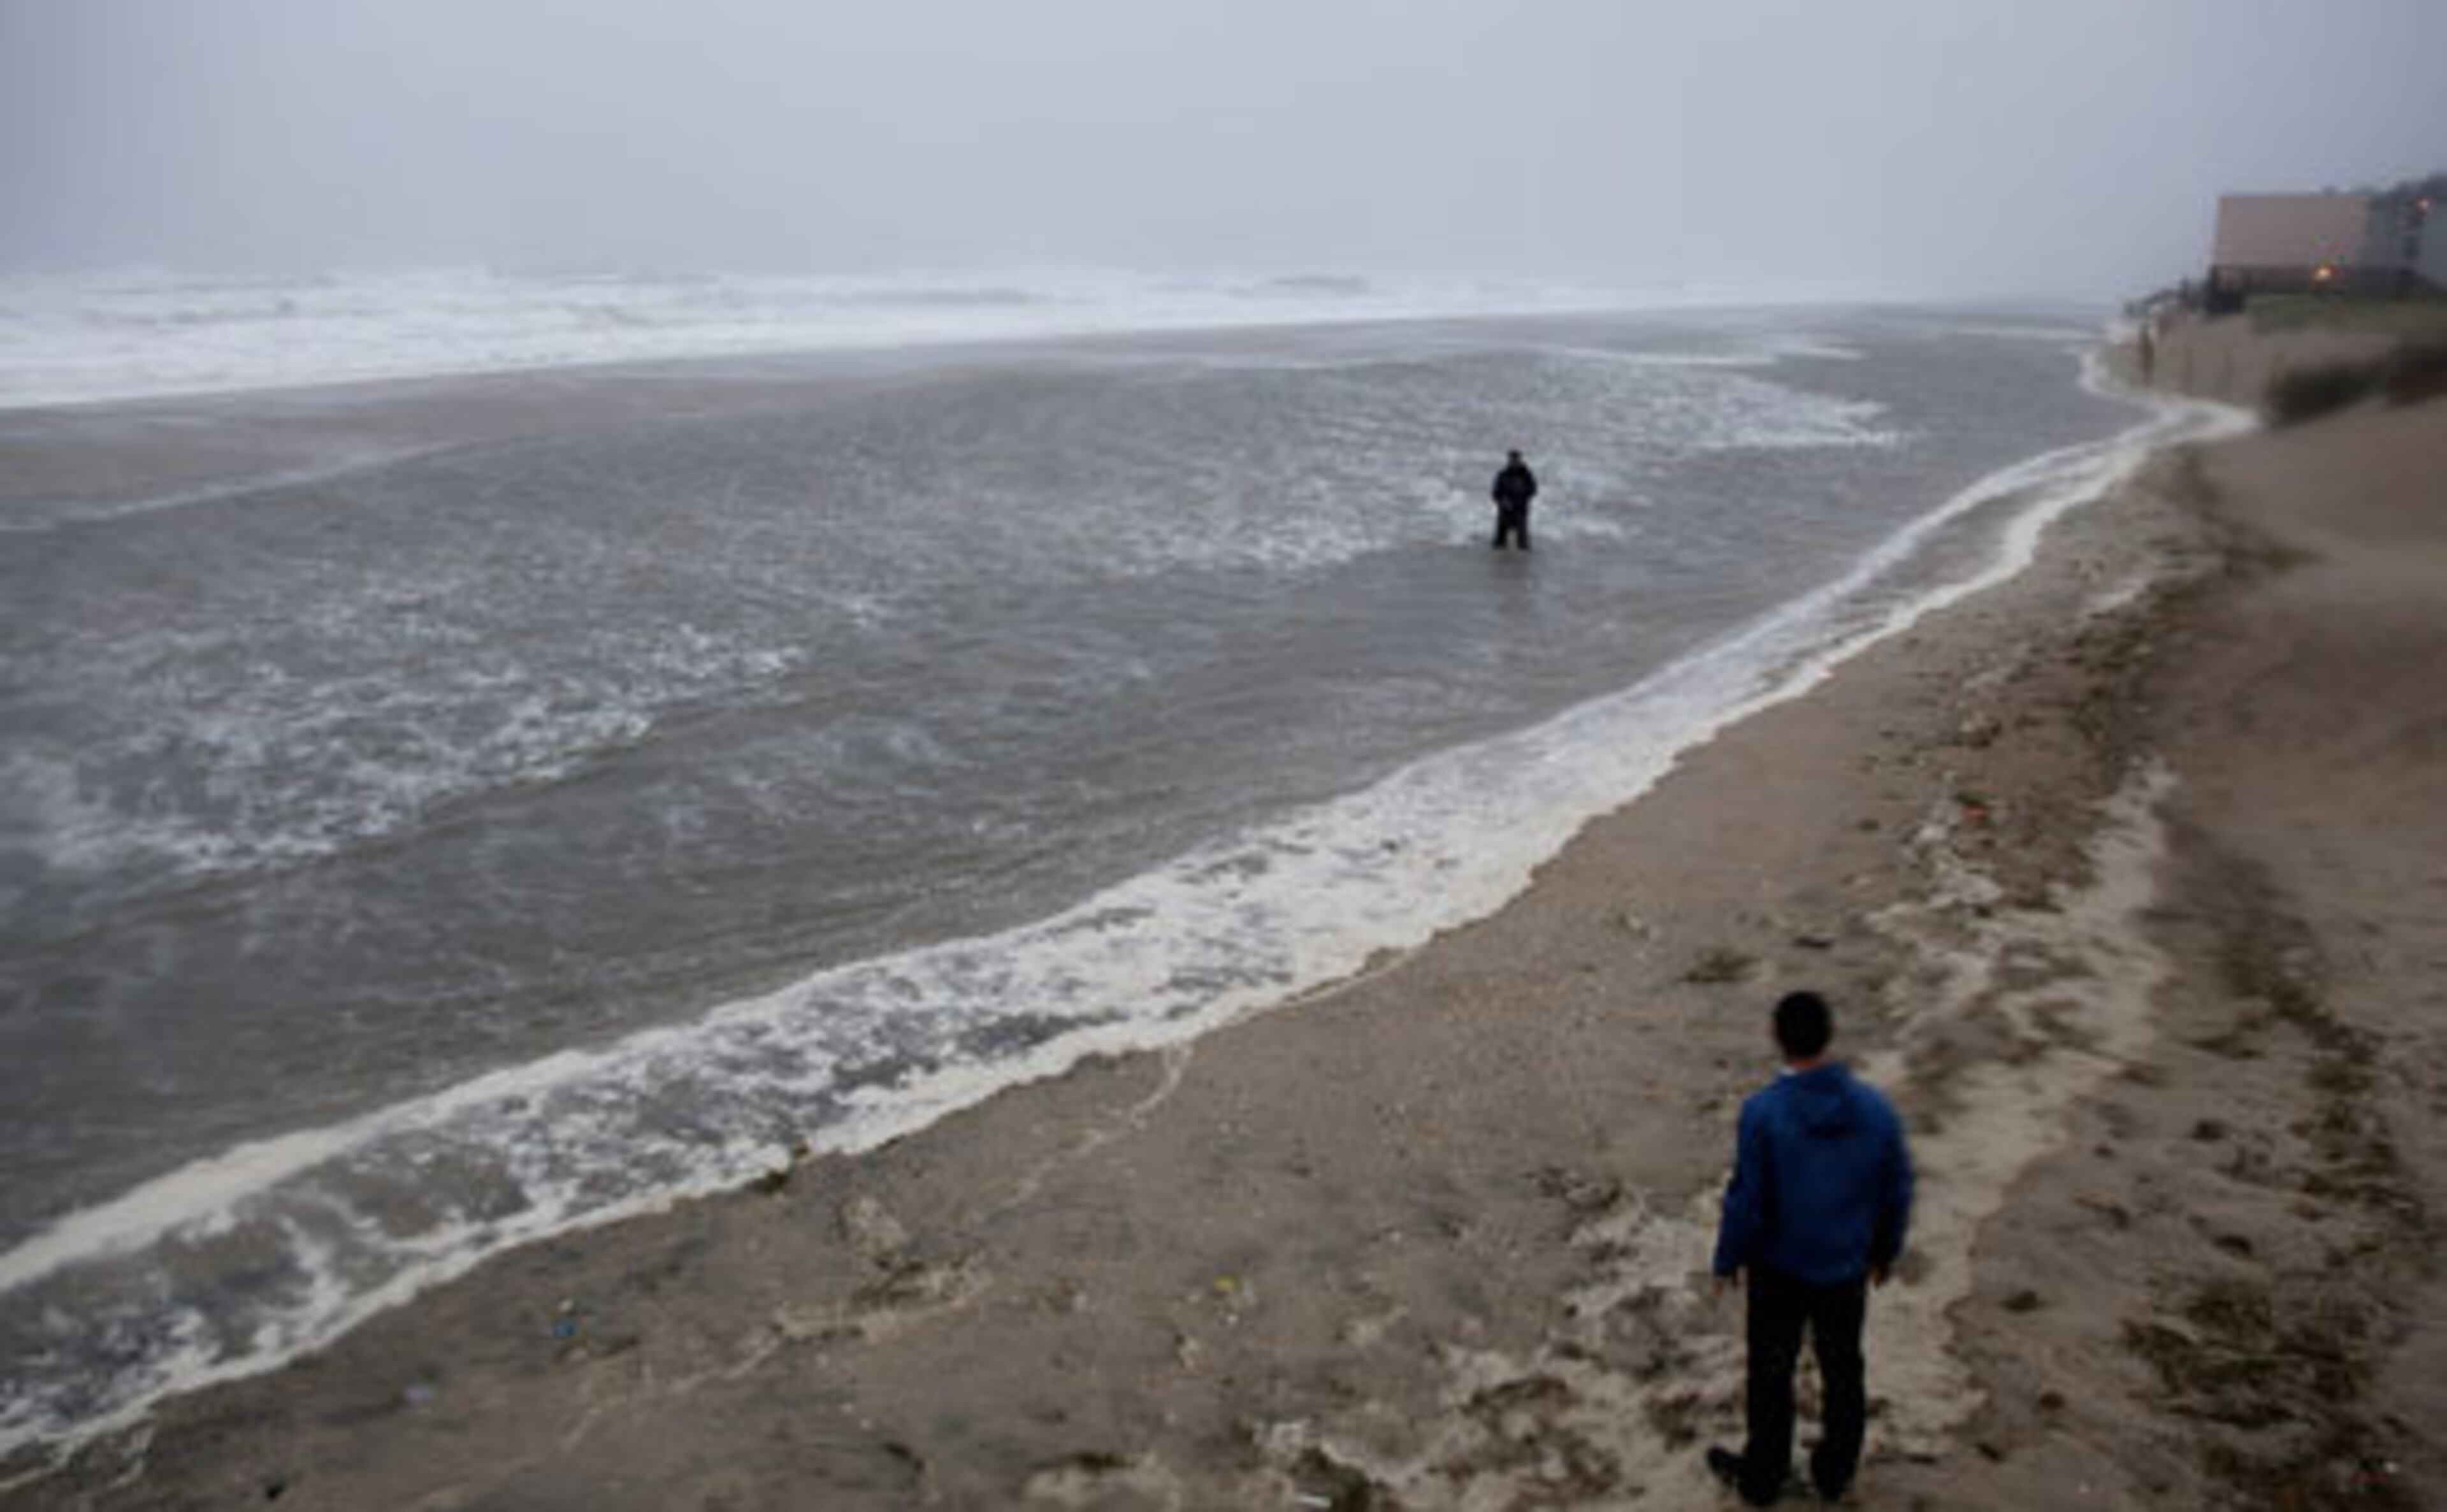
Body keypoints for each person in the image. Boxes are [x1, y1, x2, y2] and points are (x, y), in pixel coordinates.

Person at [1707, 990, 1914, 1506]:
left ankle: (1762, 1477)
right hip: (1845, 1265)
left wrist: (1728, 1258)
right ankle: (1833, 1472)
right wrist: (1884, 1252)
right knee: (1844, 1370)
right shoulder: (1874, 1109)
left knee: (1770, 1374)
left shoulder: (1763, 1112)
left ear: (1778, 1037)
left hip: (1779, 1267)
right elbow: (1897, 1188)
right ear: (1828, 1035)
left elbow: (1747, 1198)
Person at [1489, 449, 1538, 550]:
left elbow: (1533, 490)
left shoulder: (1526, 475)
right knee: (1499, 543)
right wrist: (1503, 501)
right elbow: (1495, 493)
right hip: (1505, 511)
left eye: (1516, 460)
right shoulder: (1502, 475)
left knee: (1523, 544)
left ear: (1520, 461)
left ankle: (1524, 562)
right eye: (1512, 460)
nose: (1514, 462)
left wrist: (1521, 497)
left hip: (1520, 510)